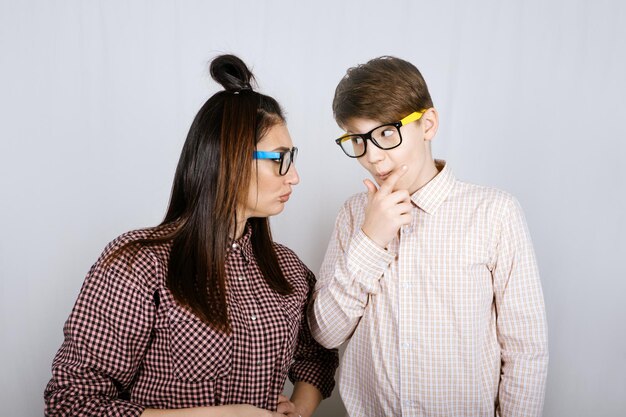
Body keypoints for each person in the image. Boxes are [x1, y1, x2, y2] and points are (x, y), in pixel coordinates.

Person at [45, 54, 338, 417]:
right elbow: (71, 402)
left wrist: (301, 406)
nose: (293, 176)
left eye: (291, 158)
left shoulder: (288, 269)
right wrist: (221, 415)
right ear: (228, 158)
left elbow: (318, 354)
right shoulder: (138, 263)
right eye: (279, 158)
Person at [308, 56, 548, 416]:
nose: (373, 156)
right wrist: (370, 240)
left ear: (428, 124)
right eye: (358, 140)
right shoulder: (353, 216)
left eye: (386, 133)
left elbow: (526, 350)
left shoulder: (495, 213)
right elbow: (326, 334)